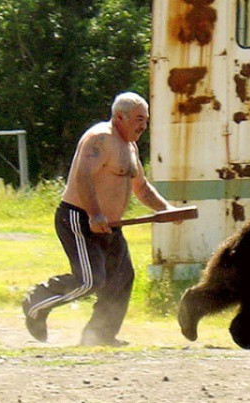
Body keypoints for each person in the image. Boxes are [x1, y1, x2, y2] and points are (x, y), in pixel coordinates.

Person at [23, 92, 177, 346]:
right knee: (89, 280)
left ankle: (99, 336)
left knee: (121, 278)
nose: (143, 126)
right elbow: (82, 177)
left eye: (146, 121)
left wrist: (167, 209)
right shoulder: (100, 138)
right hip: (79, 219)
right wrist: (94, 214)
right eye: (139, 119)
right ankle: (37, 301)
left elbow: (142, 188)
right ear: (120, 117)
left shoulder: (129, 146)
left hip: (110, 226)